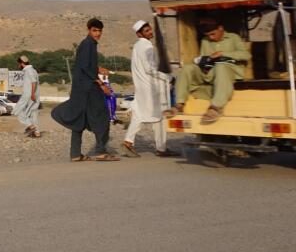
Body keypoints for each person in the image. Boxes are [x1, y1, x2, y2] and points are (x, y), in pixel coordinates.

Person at [51, 18, 118, 161]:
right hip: (89, 89)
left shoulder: (87, 44)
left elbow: (85, 64)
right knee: (102, 117)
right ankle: (100, 151)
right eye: (95, 30)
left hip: (81, 89)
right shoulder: (88, 44)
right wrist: (101, 84)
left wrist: (99, 68)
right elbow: (86, 68)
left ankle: (75, 154)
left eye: (100, 31)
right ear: (89, 30)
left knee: (79, 120)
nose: (98, 33)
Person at [166, 18, 250, 124]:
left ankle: (216, 108)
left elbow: (246, 55)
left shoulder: (234, 38)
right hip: (210, 72)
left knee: (221, 66)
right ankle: (179, 105)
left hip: (229, 72)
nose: (211, 37)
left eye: (213, 34)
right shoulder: (205, 41)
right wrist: (204, 63)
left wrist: (223, 54)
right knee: (187, 68)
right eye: (209, 35)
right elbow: (205, 58)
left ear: (220, 28)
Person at [122, 20, 175, 157]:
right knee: (160, 116)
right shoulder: (147, 46)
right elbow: (149, 69)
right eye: (146, 31)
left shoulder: (137, 46)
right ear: (139, 34)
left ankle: (128, 141)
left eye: (150, 29)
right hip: (151, 88)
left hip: (141, 87)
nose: (150, 32)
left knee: (139, 114)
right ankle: (161, 148)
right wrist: (168, 78)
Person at [12, 56, 41, 138]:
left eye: (18, 64)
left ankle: (31, 126)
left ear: (21, 63)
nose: (18, 66)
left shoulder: (28, 70)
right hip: (34, 96)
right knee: (32, 114)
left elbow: (34, 82)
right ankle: (37, 133)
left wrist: (32, 94)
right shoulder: (33, 70)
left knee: (18, 111)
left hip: (28, 96)